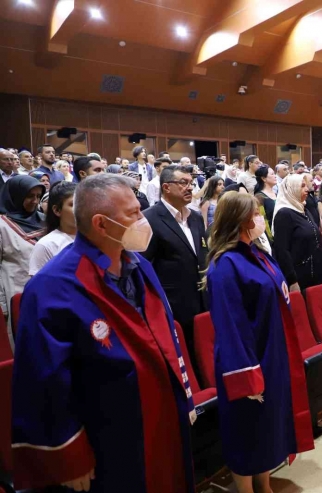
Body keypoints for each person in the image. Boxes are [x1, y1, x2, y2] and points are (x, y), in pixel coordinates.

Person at [11, 174, 197, 492]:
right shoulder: (51, 286)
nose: (143, 219)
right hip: (109, 434)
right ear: (101, 223)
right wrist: (69, 455)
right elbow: (43, 379)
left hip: (162, 415)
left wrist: (184, 394)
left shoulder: (140, 265)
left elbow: (166, 335)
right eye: (133, 213)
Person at [205, 191, 314, 493]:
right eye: (255, 214)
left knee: (267, 426)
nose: (260, 219)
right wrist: (246, 373)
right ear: (240, 219)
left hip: (273, 352)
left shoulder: (258, 253)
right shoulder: (225, 264)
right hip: (246, 359)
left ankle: (263, 484)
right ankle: (245, 489)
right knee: (247, 428)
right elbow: (230, 326)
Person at [142, 166, 208, 360]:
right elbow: (144, 267)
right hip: (173, 304)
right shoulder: (149, 218)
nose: (189, 187)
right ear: (166, 187)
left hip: (203, 301)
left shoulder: (195, 217)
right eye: (183, 183)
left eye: (191, 183)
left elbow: (202, 255)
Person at [0, 175, 45, 336]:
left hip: (47, 290)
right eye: (29, 196)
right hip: (17, 290)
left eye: (38, 196)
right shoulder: (2, 225)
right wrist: (2, 305)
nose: (35, 201)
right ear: (15, 196)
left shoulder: (44, 220)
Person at [272, 174, 322, 291]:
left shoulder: (303, 209)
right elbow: (282, 250)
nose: (307, 189)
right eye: (302, 186)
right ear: (292, 189)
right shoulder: (284, 214)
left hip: (316, 273)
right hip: (300, 277)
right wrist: (292, 280)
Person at [29, 182, 76, 276]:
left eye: (84, 203)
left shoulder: (96, 238)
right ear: (57, 210)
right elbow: (39, 287)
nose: (80, 209)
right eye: (73, 204)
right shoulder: (46, 245)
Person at [254, 165, 278, 231]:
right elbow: (261, 220)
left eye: (274, 173)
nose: (275, 176)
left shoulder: (277, 194)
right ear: (264, 178)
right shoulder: (259, 197)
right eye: (272, 174)